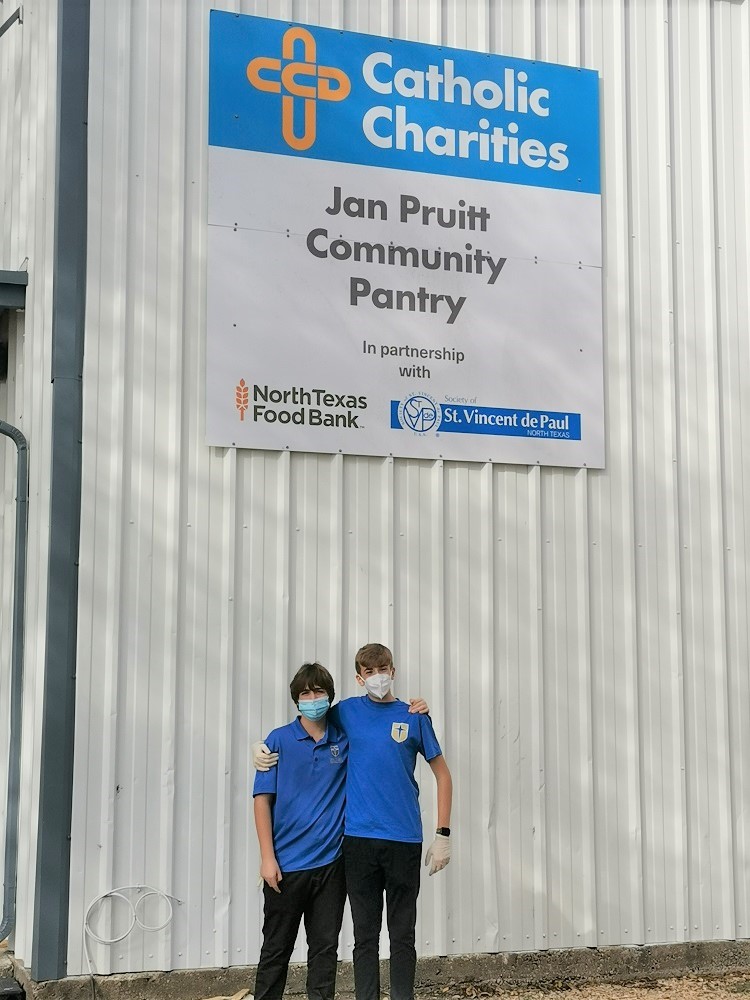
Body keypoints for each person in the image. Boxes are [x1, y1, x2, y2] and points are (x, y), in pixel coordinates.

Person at [255, 643, 452, 1000]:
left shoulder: (413, 716)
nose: (378, 677)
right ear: (359, 678)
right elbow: (308, 719)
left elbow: (443, 774)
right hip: (355, 843)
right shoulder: (343, 713)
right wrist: (260, 747)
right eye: (369, 672)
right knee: (362, 937)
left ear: (393, 671)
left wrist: (443, 834)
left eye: (383, 669)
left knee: (399, 935)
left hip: (402, 841)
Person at [252, 662, 348, 1000]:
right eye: (305, 693)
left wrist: (418, 707)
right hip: (286, 866)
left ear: (329, 696)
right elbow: (262, 801)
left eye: (319, 692)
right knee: (276, 949)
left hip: (331, 866)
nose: (312, 699)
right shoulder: (278, 739)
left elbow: (374, 717)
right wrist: (267, 858)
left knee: (324, 950)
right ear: (296, 699)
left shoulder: (343, 738)